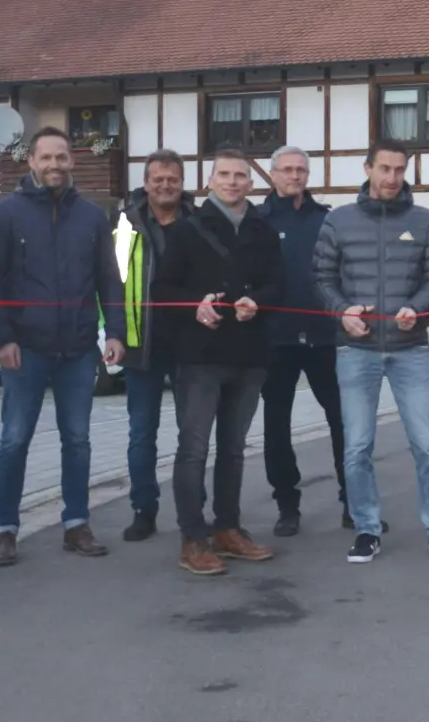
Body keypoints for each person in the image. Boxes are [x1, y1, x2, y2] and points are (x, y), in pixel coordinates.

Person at [313, 139, 429, 563]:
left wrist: (418, 307)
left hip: (409, 349)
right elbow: (321, 277)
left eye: (399, 170)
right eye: (384, 169)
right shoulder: (338, 221)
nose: (392, 178)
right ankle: (366, 528)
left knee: (427, 445)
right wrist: (343, 312)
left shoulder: (426, 221)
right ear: (368, 168)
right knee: (357, 446)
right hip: (355, 349)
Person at [0, 126, 125, 566]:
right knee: (14, 440)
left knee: (78, 440)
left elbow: (108, 279)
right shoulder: (6, 214)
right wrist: (1, 338)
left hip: (79, 348)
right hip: (25, 349)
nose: (54, 165)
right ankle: (4, 530)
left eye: (62, 157)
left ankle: (76, 524)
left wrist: (116, 332)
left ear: (72, 161)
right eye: (46, 158)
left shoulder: (91, 216)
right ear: (31, 162)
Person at [152, 149, 283, 574]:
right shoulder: (189, 230)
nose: (232, 181)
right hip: (201, 357)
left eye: (240, 175)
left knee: (233, 448)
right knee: (193, 449)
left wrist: (257, 302)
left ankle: (228, 529)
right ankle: (193, 538)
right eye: (224, 175)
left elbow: (279, 285)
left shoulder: (264, 229)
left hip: (249, 355)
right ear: (210, 182)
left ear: (250, 183)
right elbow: (162, 290)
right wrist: (195, 305)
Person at [257, 145, 367, 537]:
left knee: (343, 423)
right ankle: (287, 505)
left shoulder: (327, 220)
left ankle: (352, 503)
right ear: (273, 175)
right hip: (276, 340)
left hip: (324, 338)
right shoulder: (257, 220)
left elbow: (344, 271)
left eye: (301, 170)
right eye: (286, 170)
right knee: (277, 427)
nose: (294, 176)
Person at [114, 149, 196, 542]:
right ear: (145, 183)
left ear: (183, 184)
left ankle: (192, 510)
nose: (165, 185)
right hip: (139, 346)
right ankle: (143, 509)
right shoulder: (124, 226)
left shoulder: (199, 223)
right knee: (141, 434)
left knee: (192, 434)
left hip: (191, 347)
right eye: (158, 179)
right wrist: (112, 333)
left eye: (173, 179)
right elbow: (110, 284)